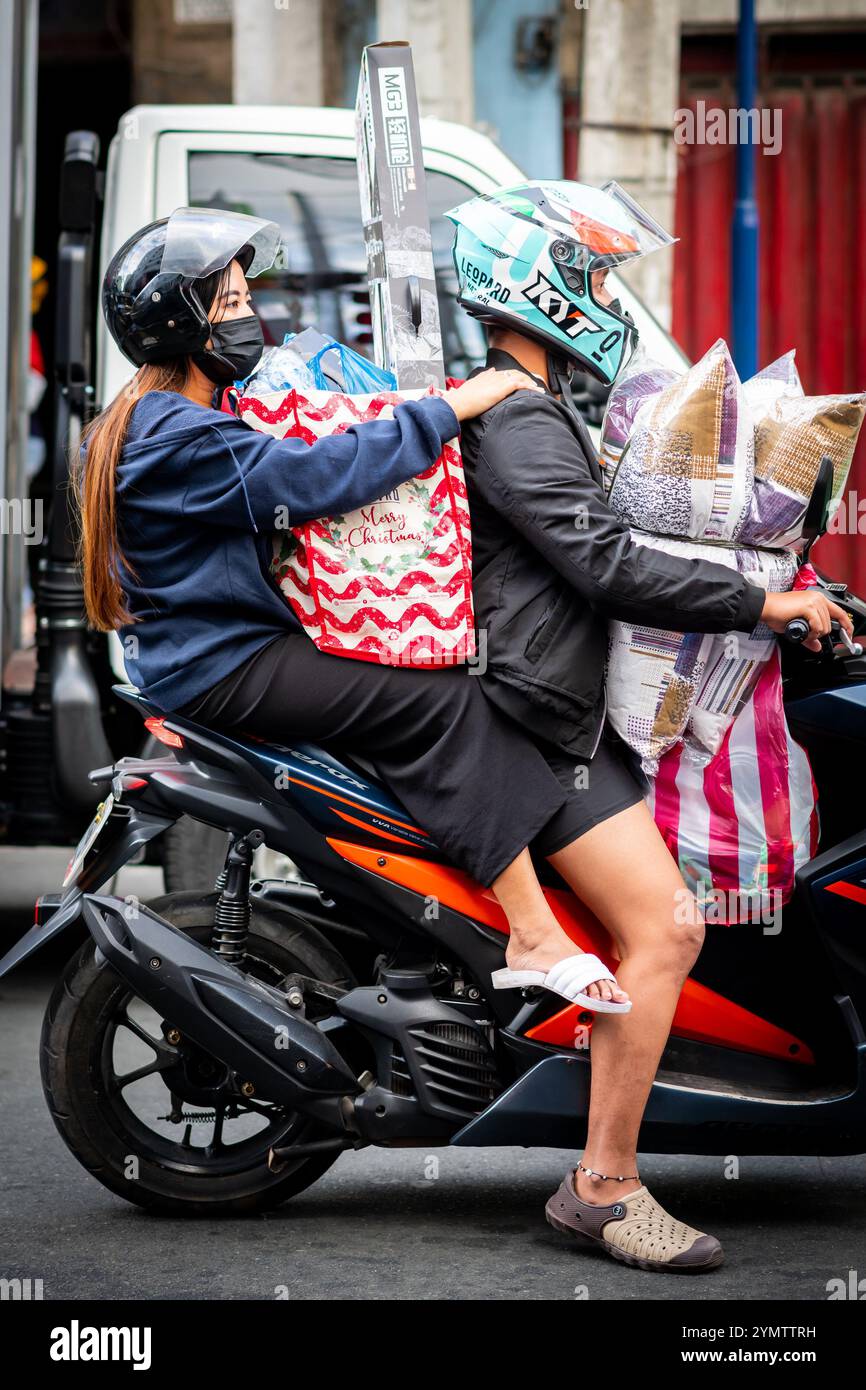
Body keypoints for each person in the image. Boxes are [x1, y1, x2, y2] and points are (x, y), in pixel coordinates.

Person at [445, 179, 854, 1271]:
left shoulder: (533, 404)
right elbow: (601, 561)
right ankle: (602, 1185)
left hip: (564, 704)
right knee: (667, 925)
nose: (600, 288)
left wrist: (792, 582)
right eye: (584, 270)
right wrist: (758, 603)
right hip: (540, 724)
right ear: (532, 281)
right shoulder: (523, 416)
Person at [74, 205, 631, 1004]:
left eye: (243, 299)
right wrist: (449, 410)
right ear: (180, 326)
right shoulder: (174, 432)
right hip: (223, 666)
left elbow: (302, 450)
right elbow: (308, 480)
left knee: (404, 681)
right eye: (228, 305)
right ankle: (535, 934)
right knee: (445, 703)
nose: (250, 318)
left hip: (211, 652)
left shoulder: (168, 415)